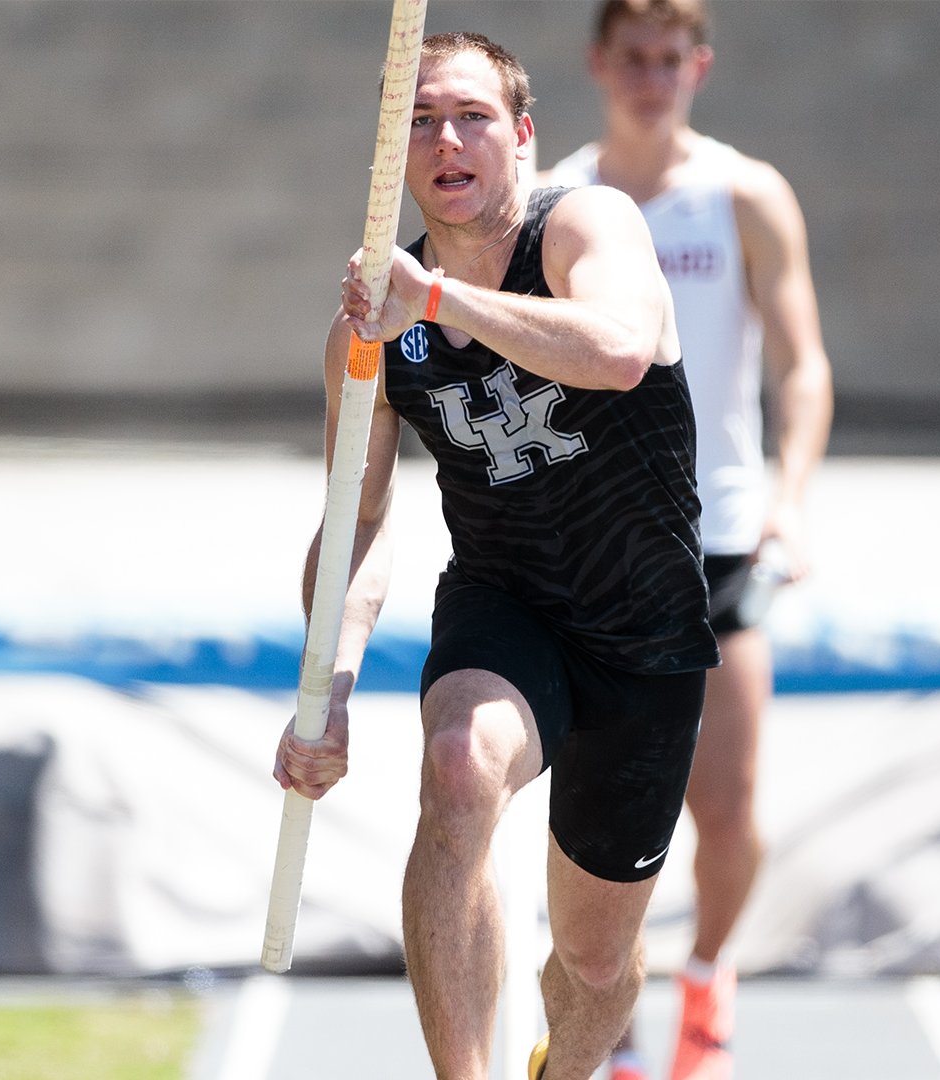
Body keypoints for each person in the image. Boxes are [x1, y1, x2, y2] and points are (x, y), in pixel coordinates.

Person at [271, 31, 719, 1080]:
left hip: (646, 629)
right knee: (459, 767)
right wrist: (327, 683)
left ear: (521, 136)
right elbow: (359, 519)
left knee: (597, 963)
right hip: (505, 601)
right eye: (419, 121)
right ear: (392, 156)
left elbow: (615, 348)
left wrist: (436, 298)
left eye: (471, 115)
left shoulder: (582, 226)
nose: (447, 140)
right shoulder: (370, 333)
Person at [542, 3, 834, 1078]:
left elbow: (803, 364)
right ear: (599, 66)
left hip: (719, 534)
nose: (653, 78)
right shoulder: (560, 201)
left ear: (698, 67)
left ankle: (708, 972)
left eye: (673, 59)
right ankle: (607, 1015)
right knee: (599, 814)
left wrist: (789, 501)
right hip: (601, 544)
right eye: (635, 59)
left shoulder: (744, 196)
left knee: (727, 803)